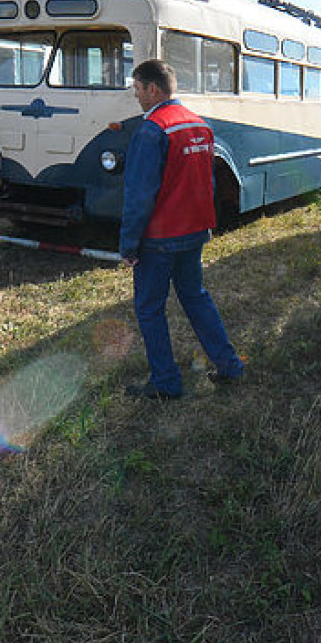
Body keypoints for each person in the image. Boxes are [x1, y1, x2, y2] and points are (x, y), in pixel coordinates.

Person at [120, 59, 244, 399]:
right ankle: (229, 365)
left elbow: (139, 194)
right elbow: (208, 183)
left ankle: (165, 382)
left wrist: (129, 245)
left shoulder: (151, 130)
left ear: (153, 89)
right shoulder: (199, 125)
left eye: (137, 89)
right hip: (193, 233)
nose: (136, 96)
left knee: (149, 309)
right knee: (195, 297)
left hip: (159, 239)